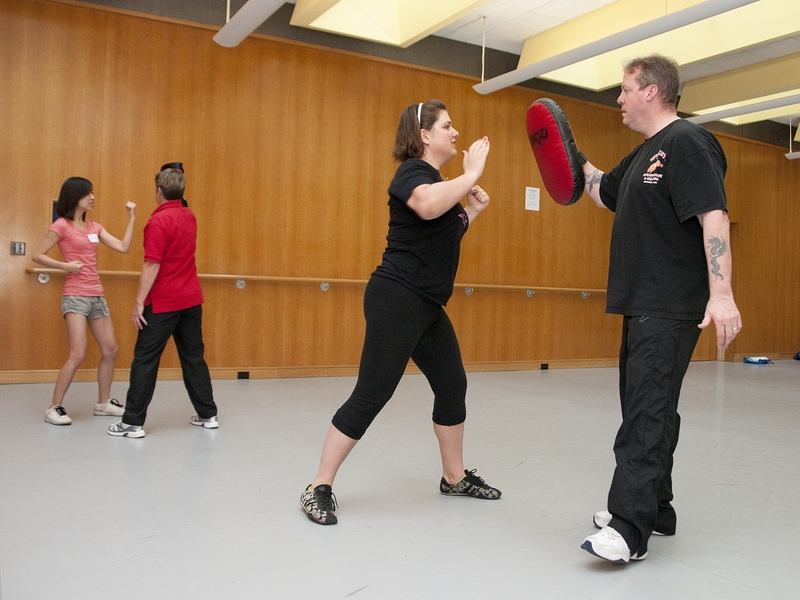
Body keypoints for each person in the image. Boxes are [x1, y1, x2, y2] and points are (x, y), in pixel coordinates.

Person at [299, 100, 501, 526]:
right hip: (397, 298)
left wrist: (472, 211)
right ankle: (318, 485)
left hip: (426, 303)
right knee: (372, 394)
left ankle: (454, 477)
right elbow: (427, 207)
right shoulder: (413, 172)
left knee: (452, 385)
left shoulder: (436, 181)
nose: (456, 133)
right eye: (448, 125)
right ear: (424, 136)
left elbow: (440, 233)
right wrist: (472, 175)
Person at [579, 55, 742, 563]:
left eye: (626, 89)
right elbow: (602, 191)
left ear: (652, 91)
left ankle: (629, 530)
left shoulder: (688, 144)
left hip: (670, 305)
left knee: (645, 414)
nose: (619, 99)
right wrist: (566, 155)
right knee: (649, 409)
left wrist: (722, 294)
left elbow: (714, 217)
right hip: (642, 303)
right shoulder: (644, 153)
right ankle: (656, 507)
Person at [108, 167, 218, 438]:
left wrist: (138, 303)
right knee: (193, 358)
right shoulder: (189, 216)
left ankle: (132, 422)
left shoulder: (158, 221)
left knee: (145, 360)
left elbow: (151, 265)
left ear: (158, 191)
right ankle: (208, 414)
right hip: (191, 299)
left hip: (163, 302)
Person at [32, 177, 136, 425]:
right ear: (75, 196)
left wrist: (132, 219)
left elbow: (123, 247)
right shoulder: (61, 226)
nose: (92, 197)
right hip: (75, 296)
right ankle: (53, 407)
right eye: (88, 193)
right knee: (78, 353)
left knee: (110, 350)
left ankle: (103, 403)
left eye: (92, 193)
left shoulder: (94, 227)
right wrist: (65, 265)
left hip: (96, 296)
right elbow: (36, 254)